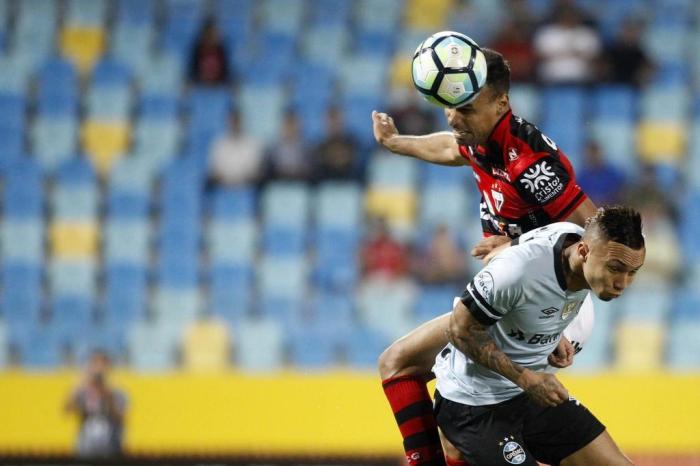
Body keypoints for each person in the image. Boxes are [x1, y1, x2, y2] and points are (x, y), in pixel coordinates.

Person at [371, 48, 598, 466]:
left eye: (466, 110)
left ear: (501, 103)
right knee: (428, 396)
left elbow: (598, 238)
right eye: (449, 110)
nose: (455, 121)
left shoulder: (531, 165)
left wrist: (515, 246)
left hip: (549, 306)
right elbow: (451, 149)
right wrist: (396, 142)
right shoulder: (480, 138)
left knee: (408, 369)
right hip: (511, 303)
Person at [435, 206, 644, 465]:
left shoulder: (570, 236)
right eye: (615, 268)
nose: (622, 283)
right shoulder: (517, 271)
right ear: (583, 252)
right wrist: (527, 379)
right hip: (473, 403)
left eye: (632, 272)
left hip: (528, 396)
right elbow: (459, 330)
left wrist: (551, 335)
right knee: (397, 361)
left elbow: (524, 256)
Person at [64, 350, 127, 458]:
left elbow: (121, 417)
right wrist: (79, 385)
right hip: (86, 449)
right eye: (95, 363)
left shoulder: (117, 391)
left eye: (102, 364)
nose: (99, 368)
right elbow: (67, 409)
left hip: (110, 450)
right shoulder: (84, 390)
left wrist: (107, 394)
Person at [532, 2, 602, 85]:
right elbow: (537, 55)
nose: (568, 18)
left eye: (571, 15)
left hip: (582, 78)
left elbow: (596, 56)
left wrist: (577, 54)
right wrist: (562, 53)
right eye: (565, 15)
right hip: (551, 78)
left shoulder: (587, 33)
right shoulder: (546, 33)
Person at [207, 110, 265, 188]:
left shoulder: (254, 143)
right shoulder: (219, 144)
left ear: (242, 122)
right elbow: (215, 172)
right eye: (232, 122)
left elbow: (255, 172)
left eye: (236, 122)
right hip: (223, 188)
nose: (234, 125)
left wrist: (236, 179)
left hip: (247, 188)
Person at [576, 140, 626, 205]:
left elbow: (621, 194)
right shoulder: (581, 178)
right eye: (590, 154)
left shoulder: (614, 173)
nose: (593, 157)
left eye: (595, 153)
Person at [188, 19, 229, 86]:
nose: (211, 37)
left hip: (218, 84)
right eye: (209, 34)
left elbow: (226, 72)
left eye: (213, 34)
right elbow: (192, 70)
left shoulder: (221, 50)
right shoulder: (197, 49)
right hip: (199, 83)